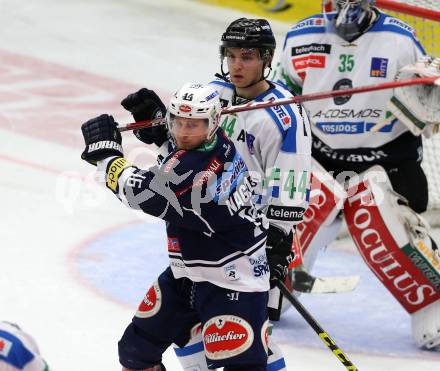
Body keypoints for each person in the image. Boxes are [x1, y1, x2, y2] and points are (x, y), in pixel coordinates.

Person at [120, 18, 312, 370]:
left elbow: (290, 188)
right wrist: (161, 124)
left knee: (246, 343)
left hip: (245, 242)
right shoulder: (215, 93)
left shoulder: (285, 116)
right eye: (232, 55)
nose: (237, 65)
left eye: (248, 56)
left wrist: (277, 243)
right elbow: (188, 153)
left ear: (267, 59)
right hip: (199, 234)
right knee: (188, 329)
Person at [273, 0, 440, 350]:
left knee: (374, 210)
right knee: (299, 208)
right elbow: (280, 100)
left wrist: (430, 99)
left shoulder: (401, 40)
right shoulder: (301, 37)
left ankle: (433, 303)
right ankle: (275, 285)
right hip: (323, 162)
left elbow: (428, 114)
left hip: (388, 164)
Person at [81, 82, 282, 370]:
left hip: (232, 282)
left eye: (194, 125)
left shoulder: (203, 169)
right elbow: (178, 164)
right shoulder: (215, 144)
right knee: (135, 352)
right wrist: (162, 134)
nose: (184, 133)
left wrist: (106, 156)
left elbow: (143, 193)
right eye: (178, 123)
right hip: (186, 275)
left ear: (213, 123)